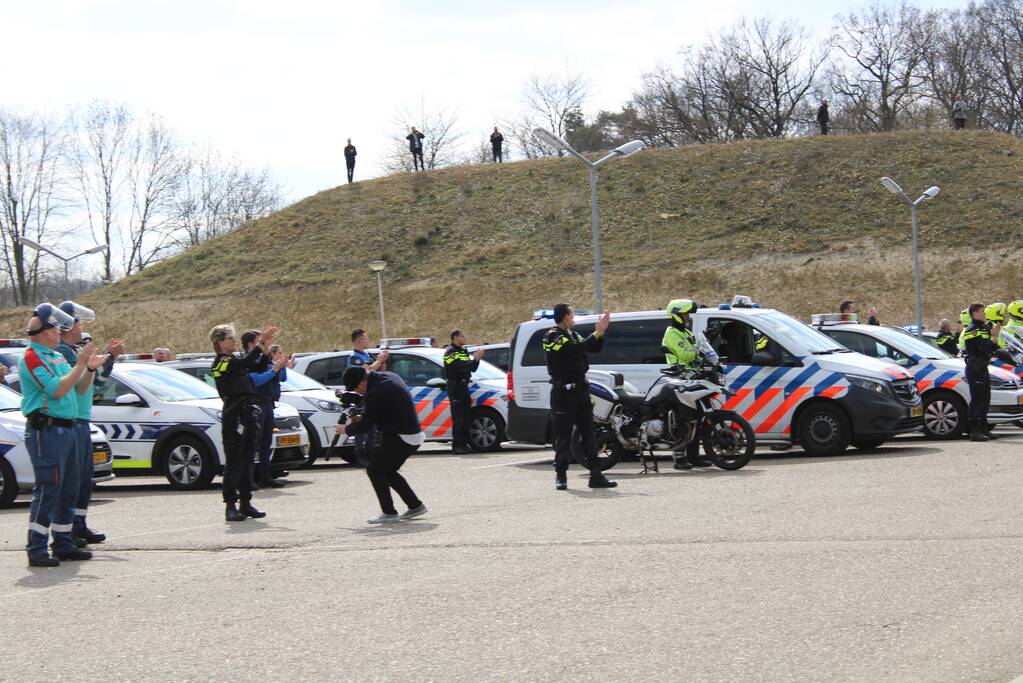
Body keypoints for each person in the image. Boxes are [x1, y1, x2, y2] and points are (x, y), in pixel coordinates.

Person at [20, 304, 108, 567]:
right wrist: (80, 364)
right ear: (45, 332)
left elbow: (79, 389)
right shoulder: (32, 357)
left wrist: (89, 369)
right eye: (56, 328)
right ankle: (36, 548)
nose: (60, 331)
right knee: (49, 488)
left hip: (66, 428)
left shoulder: (56, 355)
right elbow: (56, 390)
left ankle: (63, 542)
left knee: (69, 488)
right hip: (46, 430)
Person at [55, 301, 124, 545]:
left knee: (84, 477)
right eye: (78, 324)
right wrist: (91, 363)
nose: (81, 328)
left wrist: (110, 357)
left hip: (82, 419)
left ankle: (79, 524)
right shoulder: (63, 352)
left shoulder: (74, 350)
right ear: (68, 325)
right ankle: (68, 529)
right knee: (73, 478)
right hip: (72, 419)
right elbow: (77, 381)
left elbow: (97, 381)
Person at [338, 365, 427, 524]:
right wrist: (362, 418)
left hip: (401, 436)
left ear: (362, 382)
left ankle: (389, 513)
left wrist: (345, 429)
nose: (357, 392)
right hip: (412, 433)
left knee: (374, 470)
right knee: (388, 471)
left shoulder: (377, 392)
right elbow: (381, 412)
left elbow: (365, 426)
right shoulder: (388, 376)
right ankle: (415, 506)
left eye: (356, 388)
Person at [543, 303, 617, 491]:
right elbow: (573, 349)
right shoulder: (552, 336)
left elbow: (592, 348)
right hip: (563, 393)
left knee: (589, 433)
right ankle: (561, 475)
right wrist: (596, 333)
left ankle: (596, 475)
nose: (574, 318)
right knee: (563, 435)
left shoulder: (574, 335)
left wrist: (601, 333)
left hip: (581, 391)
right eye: (572, 314)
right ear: (565, 317)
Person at [210, 323, 278, 521]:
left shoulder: (234, 359)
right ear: (220, 342)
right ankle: (230, 506)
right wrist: (261, 342)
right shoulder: (220, 362)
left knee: (248, 460)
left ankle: (246, 503)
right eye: (230, 338)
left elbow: (256, 366)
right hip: (234, 415)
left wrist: (266, 349)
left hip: (248, 413)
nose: (234, 341)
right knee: (235, 463)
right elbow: (244, 363)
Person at [661, 299, 711, 470]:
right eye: (685, 314)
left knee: (697, 418)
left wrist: (708, 340)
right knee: (683, 418)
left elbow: (697, 352)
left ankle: (694, 456)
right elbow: (686, 354)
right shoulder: (672, 333)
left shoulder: (684, 331)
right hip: (679, 379)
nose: (688, 317)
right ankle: (679, 458)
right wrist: (699, 348)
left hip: (691, 377)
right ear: (676, 315)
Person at [241, 330, 288, 489]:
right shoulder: (246, 360)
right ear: (251, 343)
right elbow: (257, 380)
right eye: (260, 341)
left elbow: (280, 377)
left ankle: (265, 477)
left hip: (268, 402)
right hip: (256, 403)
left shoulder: (262, 359)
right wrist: (274, 370)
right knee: (253, 442)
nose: (265, 344)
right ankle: (249, 479)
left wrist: (281, 366)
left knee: (266, 442)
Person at [443, 329, 485, 454]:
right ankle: (457, 446)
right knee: (459, 418)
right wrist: (475, 359)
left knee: (466, 417)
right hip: (456, 388)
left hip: (464, 387)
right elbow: (461, 368)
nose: (464, 338)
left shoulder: (463, 351)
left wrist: (477, 360)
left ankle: (464, 444)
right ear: (455, 337)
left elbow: (471, 369)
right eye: (462, 336)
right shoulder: (450, 352)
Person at [962, 303, 997, 442]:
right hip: (975, 368)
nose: (985, 314)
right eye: (982, 312)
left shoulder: (983, 328)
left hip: (982, 367)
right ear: (975, 313)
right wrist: (993, 339)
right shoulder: (972, 329)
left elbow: (991, 349)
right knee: (977, 399)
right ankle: (974, 431)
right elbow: (981, 348)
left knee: (985, 399)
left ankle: (984, 429)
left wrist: (993, 340)